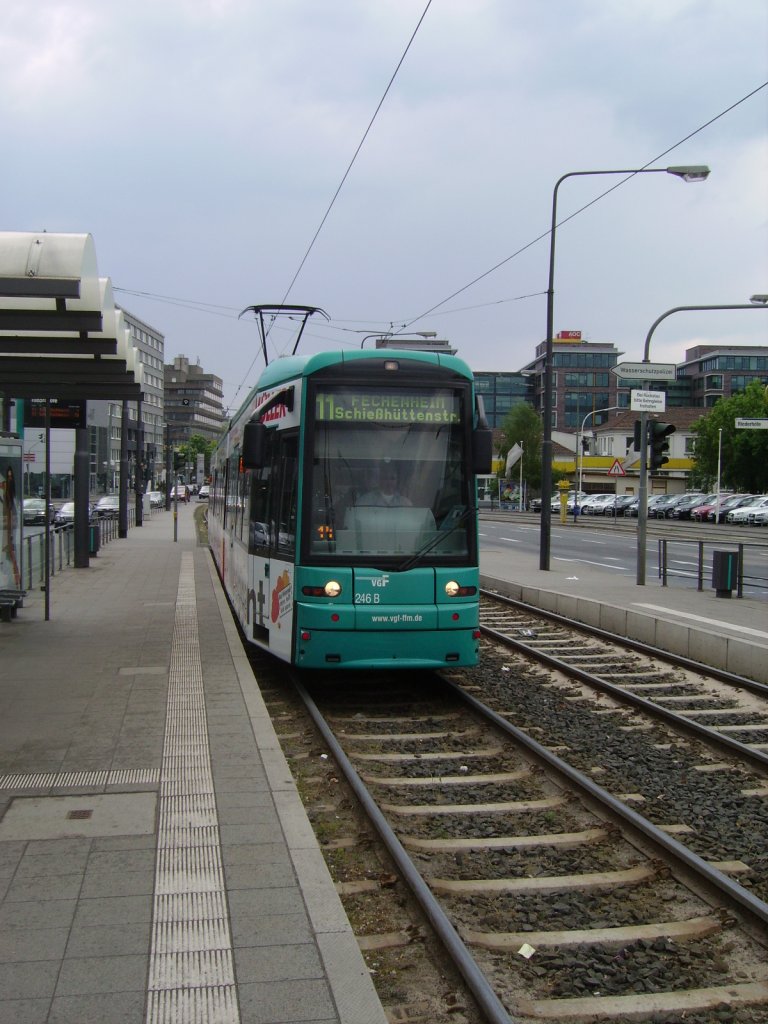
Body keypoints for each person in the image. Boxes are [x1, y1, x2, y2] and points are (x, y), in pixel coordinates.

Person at [1, 465, 21, 588]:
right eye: (7, 476)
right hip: (7, 525)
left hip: (10, 526)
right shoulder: (6, 491)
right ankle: (14, 576)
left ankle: (15, 576)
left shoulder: (12, 496)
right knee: (8, 550)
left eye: (10, 476)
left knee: (11, 550)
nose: (9, 479)